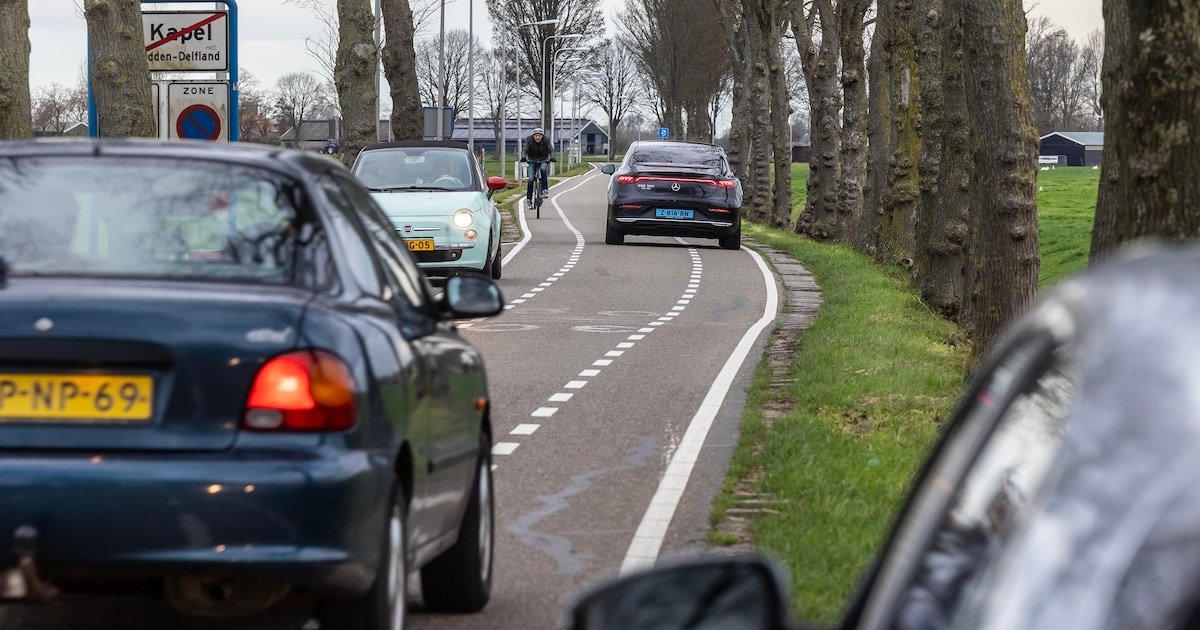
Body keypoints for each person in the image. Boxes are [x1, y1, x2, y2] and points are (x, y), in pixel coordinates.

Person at [520, 128, 553, 205]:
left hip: (543, 159)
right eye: (536, 135)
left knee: (543, 169)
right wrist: (523, 157)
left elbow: (551, 150)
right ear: (533, 136)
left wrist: (552, 157)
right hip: (532, 160)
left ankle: (545, 189)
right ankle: (529, 199)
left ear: (542, 136)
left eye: (539, 136)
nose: (537, 137)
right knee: (531, 179)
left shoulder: (546, 140)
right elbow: (524, 149)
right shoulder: (528, 140)